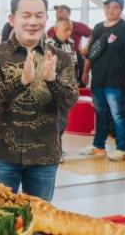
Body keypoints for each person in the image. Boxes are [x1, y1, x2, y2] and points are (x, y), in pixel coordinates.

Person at [0, 0, 78, 201]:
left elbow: (70, 100)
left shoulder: (60, 57)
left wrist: (52, 80)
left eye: (39, 16)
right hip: (2, 155)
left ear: (46, 19)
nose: (33, 22)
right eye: (26, 16)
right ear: (12, 19)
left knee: (40, 221)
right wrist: (21, 81)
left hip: (44, 155)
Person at [81, 0, 125, 161]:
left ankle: (122, 148)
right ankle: (98, 145)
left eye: (114, 7)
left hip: (116, 80)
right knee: (100, 113)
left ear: (121, 9)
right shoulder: (98, 28)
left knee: (118, 114)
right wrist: (85, 72)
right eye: (107, 7)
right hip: (98, 79)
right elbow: (91, 53)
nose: (110, 11)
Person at [47, 17, 79, 159]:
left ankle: (58, 147)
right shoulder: (49, 45)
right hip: (54, 88)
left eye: (70, 29)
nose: (69, 32)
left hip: (68, 87)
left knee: (64, 120)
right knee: (57, 120)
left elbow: (75, 63)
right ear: (55, 29)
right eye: (65, 29)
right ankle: (55, 150)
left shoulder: (71, 43)